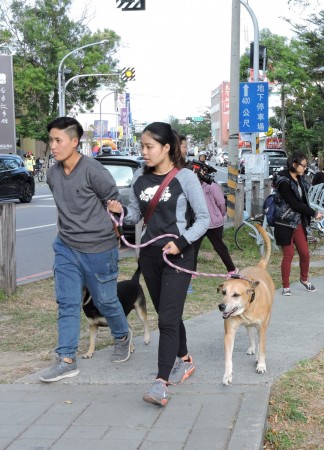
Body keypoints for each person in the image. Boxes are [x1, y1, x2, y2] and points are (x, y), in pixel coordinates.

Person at [107, 122, 210, 406]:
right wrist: (120, 211)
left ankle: (160, 383)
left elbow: (204, 219)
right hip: (150, 255)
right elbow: (135, 216)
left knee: (166, 318)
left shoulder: (185, 177)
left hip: (178, 254)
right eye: (142, 146)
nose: (144, 152)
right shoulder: (140, 177)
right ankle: (185, 358)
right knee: (170, 313)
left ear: (166, 148)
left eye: (149, 146)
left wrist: (181, 242)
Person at [39, 117, 132, 383]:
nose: (53, 146)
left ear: (74, 141)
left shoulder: (94, 170)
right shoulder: (52, 173)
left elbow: (113, 204)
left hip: (99, 249)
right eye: (51, 140)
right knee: (67, 303)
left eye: (58, 140)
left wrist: (117, 213)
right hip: (66, 246)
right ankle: (66, 359)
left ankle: (122, 335)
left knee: (105, 301)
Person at [274, 152, 323, 296]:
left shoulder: (300, 179)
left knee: (305, 253)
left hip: (298, 222)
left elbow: (305, 198)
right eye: (303, 165)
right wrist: (313, 213)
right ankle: (286, 286)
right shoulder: (283, 182)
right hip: (284, 222)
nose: (305, 168)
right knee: (288, 255)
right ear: (294, 165)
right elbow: (295, 204)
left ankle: (304, 279)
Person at [195, 163, 237, 274]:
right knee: (193, 247)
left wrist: (219, 215)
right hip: (198, 223)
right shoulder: (191, 187)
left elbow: (221, 203)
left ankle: (232, 270)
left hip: (213, 222)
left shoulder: (212, 186)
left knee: (219, 247)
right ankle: (191, 271)